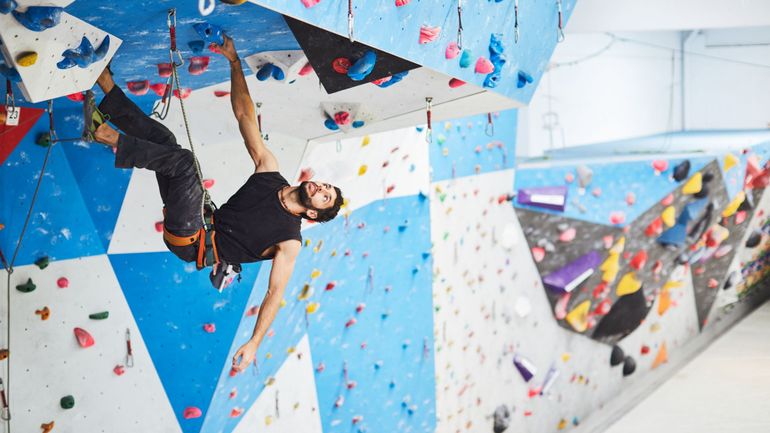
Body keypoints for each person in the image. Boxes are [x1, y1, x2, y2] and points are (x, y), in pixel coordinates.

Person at [87, 35, 344, 373]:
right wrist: (235, 62)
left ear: (313, 212)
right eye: (326, 185)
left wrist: (254, 343)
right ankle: (107, 86)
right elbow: (244, 115)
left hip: (193, 240)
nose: (321, 187)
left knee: (182, 162)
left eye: (324, 196)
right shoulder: (270, 172)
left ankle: (105, 135)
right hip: (198, 217)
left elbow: (274, 294)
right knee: (166, 143)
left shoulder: (289, 241)